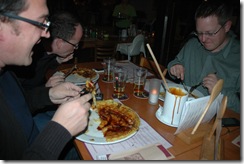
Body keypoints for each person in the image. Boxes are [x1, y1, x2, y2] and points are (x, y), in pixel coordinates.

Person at [0, 0, 92, 160]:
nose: (47, 34)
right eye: (40, 23)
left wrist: (48, 95)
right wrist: (59, 130)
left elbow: (19, 106)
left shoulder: (5, 74)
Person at [167, 0, 240, 113]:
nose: (203, 39)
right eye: (199, 33)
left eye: (210, 33)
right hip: (179, 111)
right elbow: (174, 64)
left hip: (216, 123)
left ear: (227, 26)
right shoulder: (192, 45)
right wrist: (174, 67)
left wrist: (220, 92)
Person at [8, 11, 83, 90]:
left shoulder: (48, 49)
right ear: (59, 43)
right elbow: (16, 95)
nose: (76, 48)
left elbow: (45, 65)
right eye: (75, 45)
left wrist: (58, 60)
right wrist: (45, 89)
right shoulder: (25, 58)